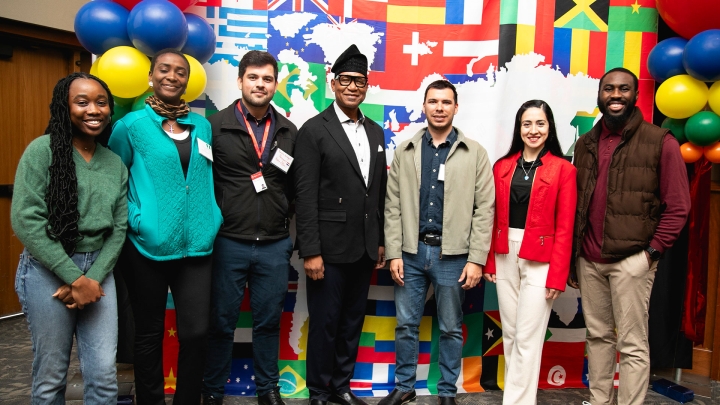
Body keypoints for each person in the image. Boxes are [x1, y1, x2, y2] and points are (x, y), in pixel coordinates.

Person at [569, 67, 691, 405]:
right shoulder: (585, 144)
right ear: (599, 95)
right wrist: (574, 260)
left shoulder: (659, 141)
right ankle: (599, 400)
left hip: (632, 262)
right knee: (597, 337)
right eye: (609, 89)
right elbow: (578, 205)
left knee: (633, 344)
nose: (616, 95)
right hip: (590, 261)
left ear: (636, 96)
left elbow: (679, 206)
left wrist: (650, 253)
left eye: (624, 89)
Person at [109, 49, 222, 405]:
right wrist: (138, 219)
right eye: (165, 70)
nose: (172, 76)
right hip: (147, 247)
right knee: (149, 333)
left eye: (180, 72)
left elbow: (205, 178)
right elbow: (115, 181)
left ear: (188, 81)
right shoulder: (130, 127)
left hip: (198, 246)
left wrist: (213, 215)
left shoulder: (202, 125)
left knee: (196, 333)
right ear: (151, 77)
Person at [12, 72, 127, 404]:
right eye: (82, 102)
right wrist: (73, 276)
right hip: (47, 269)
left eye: (101, 102)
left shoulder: (115, 163)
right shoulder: (42, 151)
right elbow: (25, 220)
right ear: (64, 107)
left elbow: (118, 229)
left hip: (99, 272)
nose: (94, 110)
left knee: (105, 375)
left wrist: (90, 279)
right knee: (51, 376)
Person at [381, 80, 494, 405]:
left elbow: (485, 208)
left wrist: (476, 259)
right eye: (433, 101)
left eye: (446, 102)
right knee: (406, 326)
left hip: (453, 256)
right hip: (411, 253)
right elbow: (392, 205)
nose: (440, 107)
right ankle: (404, 386)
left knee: (450, 328)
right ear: (424, 106)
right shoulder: (405, 150)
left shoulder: (475, 153)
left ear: (456, 107)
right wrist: (394, 253)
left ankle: (447, 391)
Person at [202, 51, 297, 405]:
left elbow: (296, 188)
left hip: (274, 245)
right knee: (221, 323)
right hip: (228, 242)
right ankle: (212, 391)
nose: (260, 84)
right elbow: (202, 183)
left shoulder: (289, 131)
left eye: (268, 79)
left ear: (275, 84)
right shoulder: (214, 126)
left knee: (269, 322)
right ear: (240, 80)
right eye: (253, 78)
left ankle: (268, 389)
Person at [294, 44, 387, 405]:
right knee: (325, 323)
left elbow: (376, 192)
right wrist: (311, 250)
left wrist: (378, 240)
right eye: (346, 80)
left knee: (351, 323)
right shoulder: (314, 130)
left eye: (359, 81)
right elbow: (304, 196)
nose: (352, 86)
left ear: (367, 85)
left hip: (364, 246)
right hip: (327, 250)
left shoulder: (376, 132)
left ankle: (341, 386)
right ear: (332, 83)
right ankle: (318, 390)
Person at [482, 100, 577, 405]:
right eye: (527, 124)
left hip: (543, 258)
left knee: (527, 336)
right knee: (509, 333)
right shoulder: (503, 166)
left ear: (550, 128)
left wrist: (558, 276)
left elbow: (565, 227)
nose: (533, 130)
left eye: (540, 123)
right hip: (504, 252)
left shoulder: (564, 169)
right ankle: (521, 399)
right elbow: (490, 217)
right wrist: (489, 260)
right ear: (519, 128)